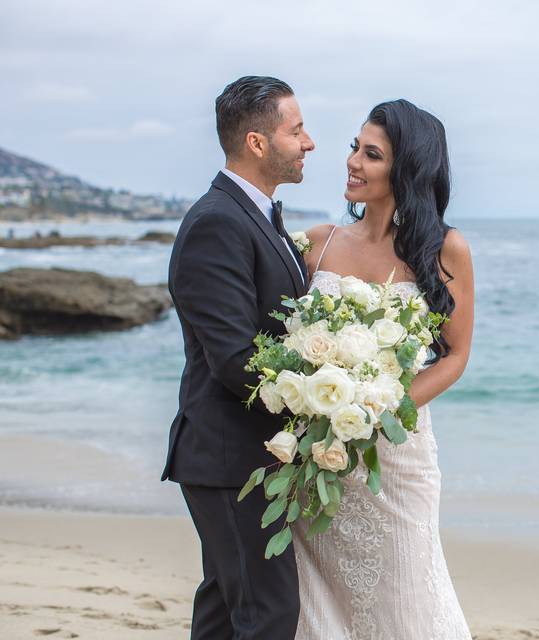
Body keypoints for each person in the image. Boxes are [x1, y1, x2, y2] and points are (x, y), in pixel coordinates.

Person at [293, 99, 474, 639]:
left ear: (406, 171)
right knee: (319, 604)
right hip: (318, 454)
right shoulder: (317, 246)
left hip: (395, 457)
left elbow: (456, 356)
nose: (352, 161)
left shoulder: (445, 250)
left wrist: (379, 411)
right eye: (355, 147)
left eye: (371, 154)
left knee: (408, 595)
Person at [164, 75, 315, 640]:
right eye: (296, 130)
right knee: (267, 615)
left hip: (242, 456)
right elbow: (234, 358)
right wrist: (325, 394)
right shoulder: (218, 222)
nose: (309, 143)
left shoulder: (254, 216)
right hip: (230, 457)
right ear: (257, 142)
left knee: (228, 614)